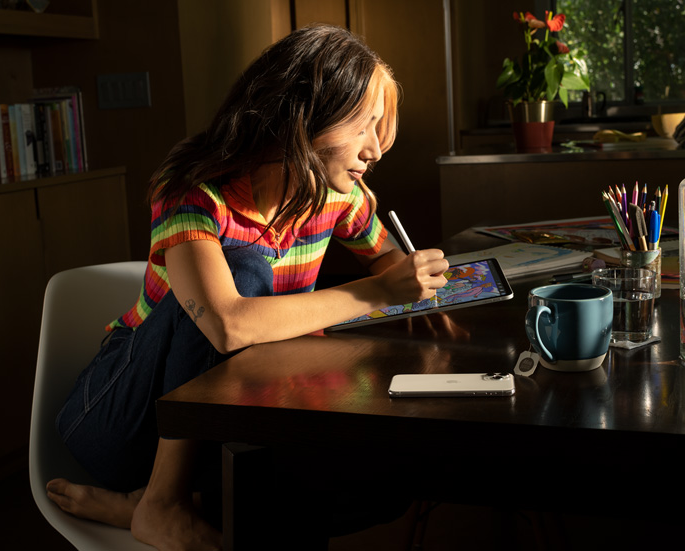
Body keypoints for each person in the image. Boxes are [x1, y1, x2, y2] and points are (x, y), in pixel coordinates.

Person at [45, 24, 449, 551]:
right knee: (247, 270)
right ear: (304, 112)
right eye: (364, 125)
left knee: (388, 485)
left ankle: (152, 505)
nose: (375, 149)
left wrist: (427, 288)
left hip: (226, 426)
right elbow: (226, 322)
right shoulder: (194, 185)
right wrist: (381, 293)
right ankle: (162, 503)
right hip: (120, 420)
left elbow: (393, 267)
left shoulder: (336, 191)